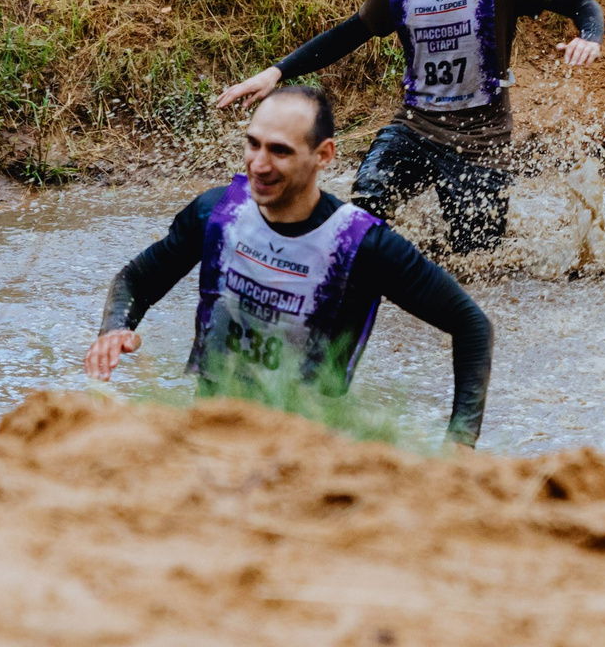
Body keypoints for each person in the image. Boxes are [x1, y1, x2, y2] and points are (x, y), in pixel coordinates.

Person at [212, 0, 604, 257]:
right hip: (415, 129)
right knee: (366, 205)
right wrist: (277, 72)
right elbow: (348, 34)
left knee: (477, 258)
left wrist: (589, 37)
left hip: (482, 143)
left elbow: (581, 4)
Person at [84, 86, 494, 446]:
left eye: (280, 150)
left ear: (324, 155)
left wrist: (458, 443)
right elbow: (136, 278)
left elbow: (471, 325)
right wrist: (117, 327)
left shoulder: (362, 245)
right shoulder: (217, 214)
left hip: (302, 453)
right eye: (253, 144)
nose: (259, 164)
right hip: (208, 433)